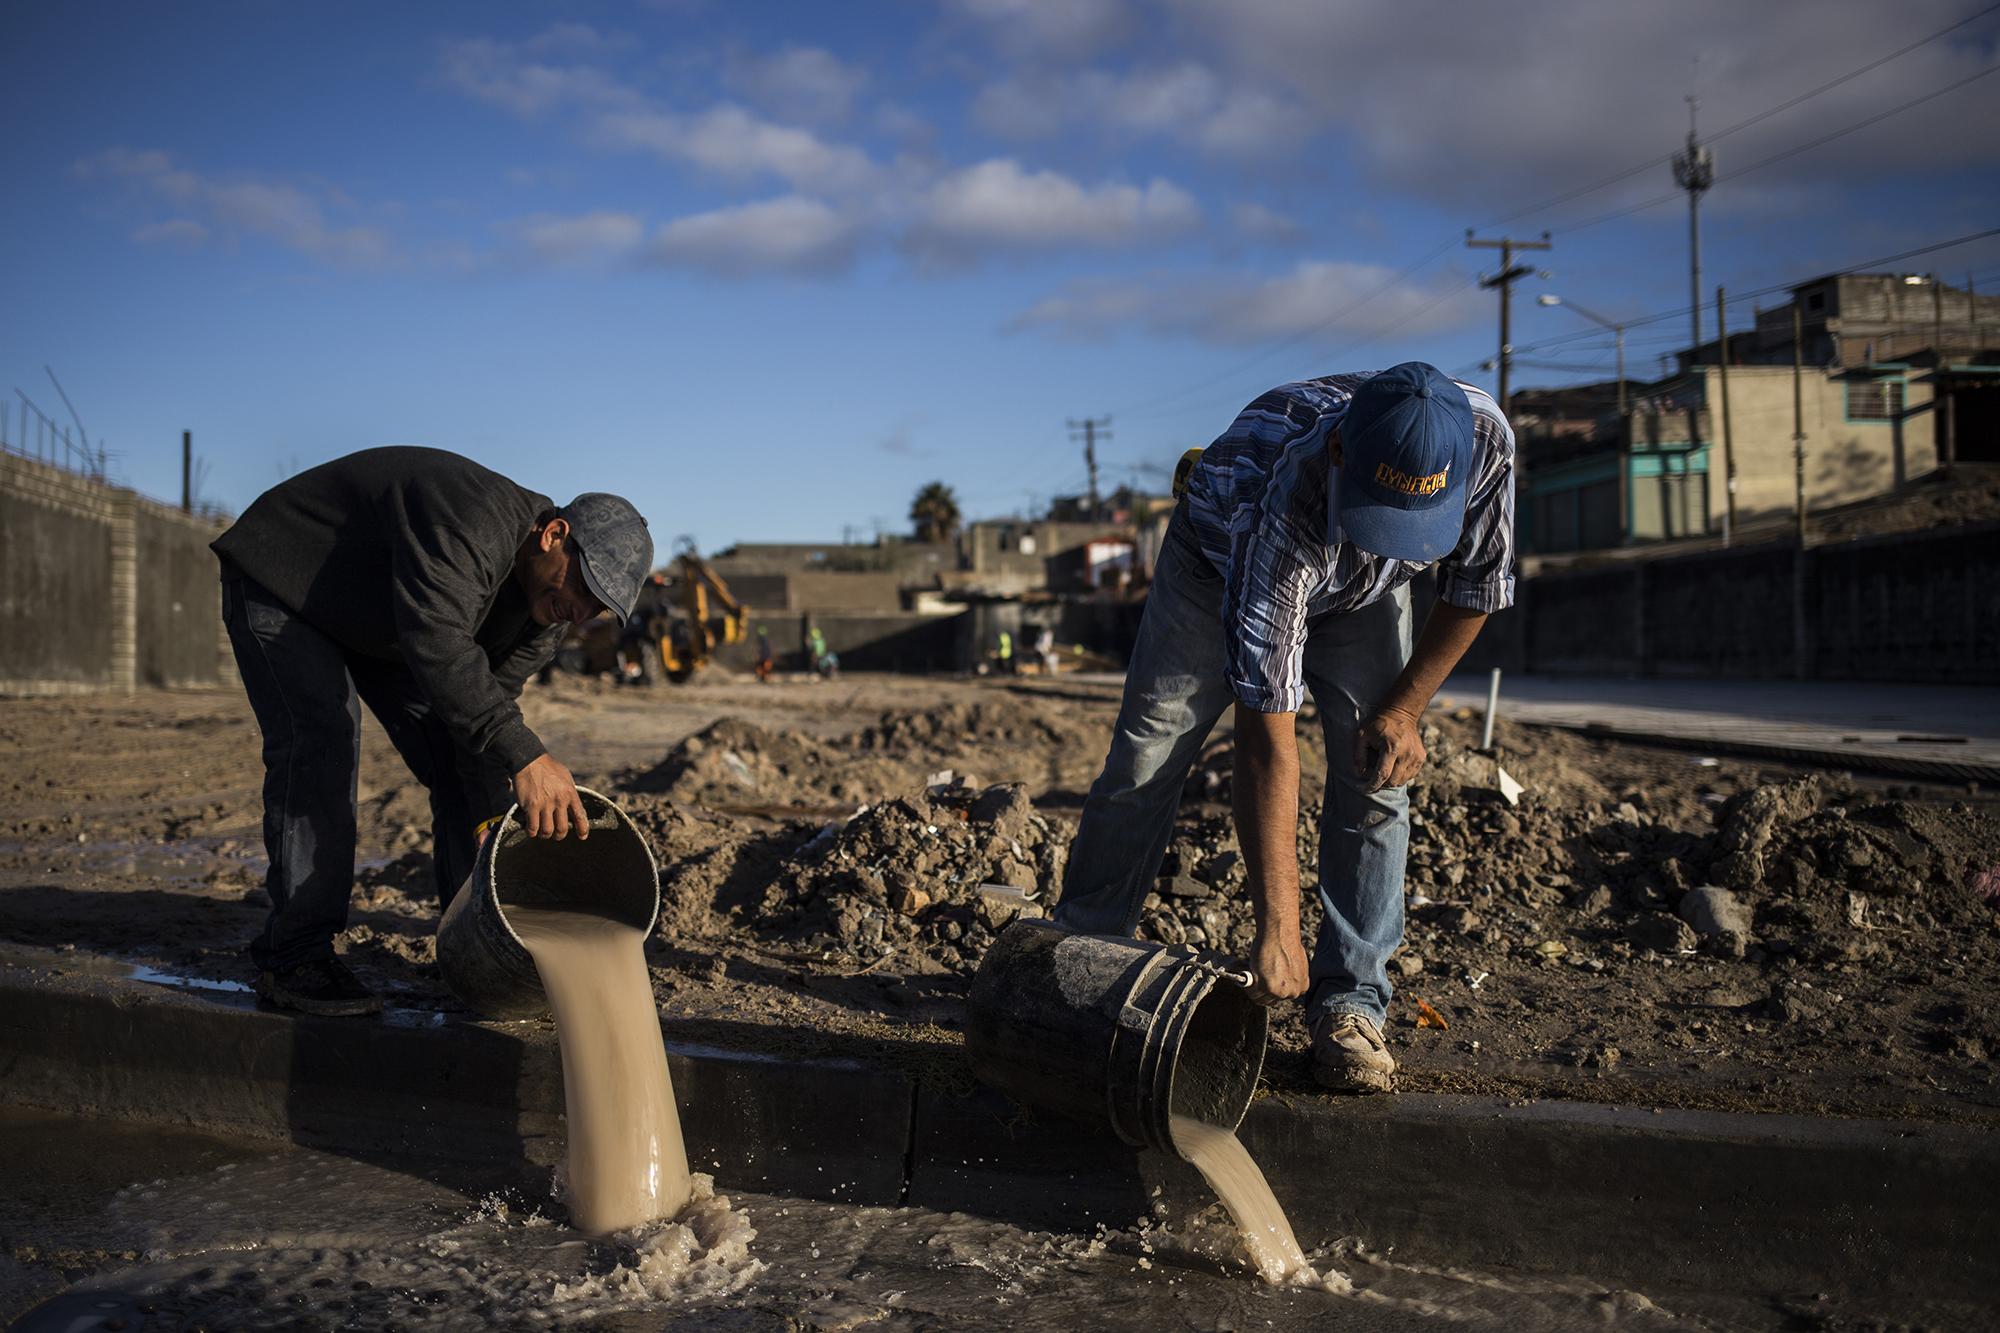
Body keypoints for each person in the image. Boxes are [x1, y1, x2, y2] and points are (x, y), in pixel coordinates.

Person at [1052, 364, 1514, 1094]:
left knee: (1378, 771)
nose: (1390, 540)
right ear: (1339, 455)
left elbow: (1477, 585)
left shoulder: (1485, 442)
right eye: (1377, 511)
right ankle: (1076, 965)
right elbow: (1268, 742)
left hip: (1365, 599)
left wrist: (1405, 708)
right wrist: (1278, 926)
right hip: (1216, 565)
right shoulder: (1282, 502)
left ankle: (1351, 1006)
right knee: (1148, 756)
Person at [211, 446, 653, 1017]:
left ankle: (472, 940)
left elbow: (480, 716)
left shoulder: (546, 618)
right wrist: (528, 757)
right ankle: (294, 957)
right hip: (288, 581)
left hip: (382, 621)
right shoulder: (473, 520)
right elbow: (438, 641)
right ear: (554, 535)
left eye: (599, 608)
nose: (581, 612)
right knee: (322, 744)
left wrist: (493, 816)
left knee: (463, 762)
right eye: (584, 587)